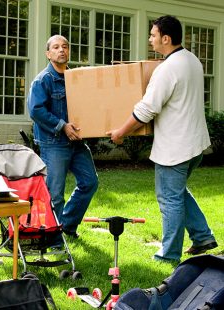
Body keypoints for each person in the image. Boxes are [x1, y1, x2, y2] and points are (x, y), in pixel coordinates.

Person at [107, 15, 218, 263]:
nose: (150, 39)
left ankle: (168, 255)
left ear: (165, 39)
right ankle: (202, 236)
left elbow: (147, 109)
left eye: (153, 35)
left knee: (169, 199)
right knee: (177, 193)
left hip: (175, 148)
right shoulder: (192, 60)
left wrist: (120, 132)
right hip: (195, 144)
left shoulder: (167, 69)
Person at [27, 35, 98, 243]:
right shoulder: (43, 80)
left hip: (76, 142)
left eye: (65, 46)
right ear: (48, 54)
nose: (61, 50)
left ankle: (66, 225)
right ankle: (52, 238)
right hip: (54, 142)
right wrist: (62, 126)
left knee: (90, 182)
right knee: (55, 193)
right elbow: (36, 110)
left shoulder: (75, 78)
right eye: (56, 47)